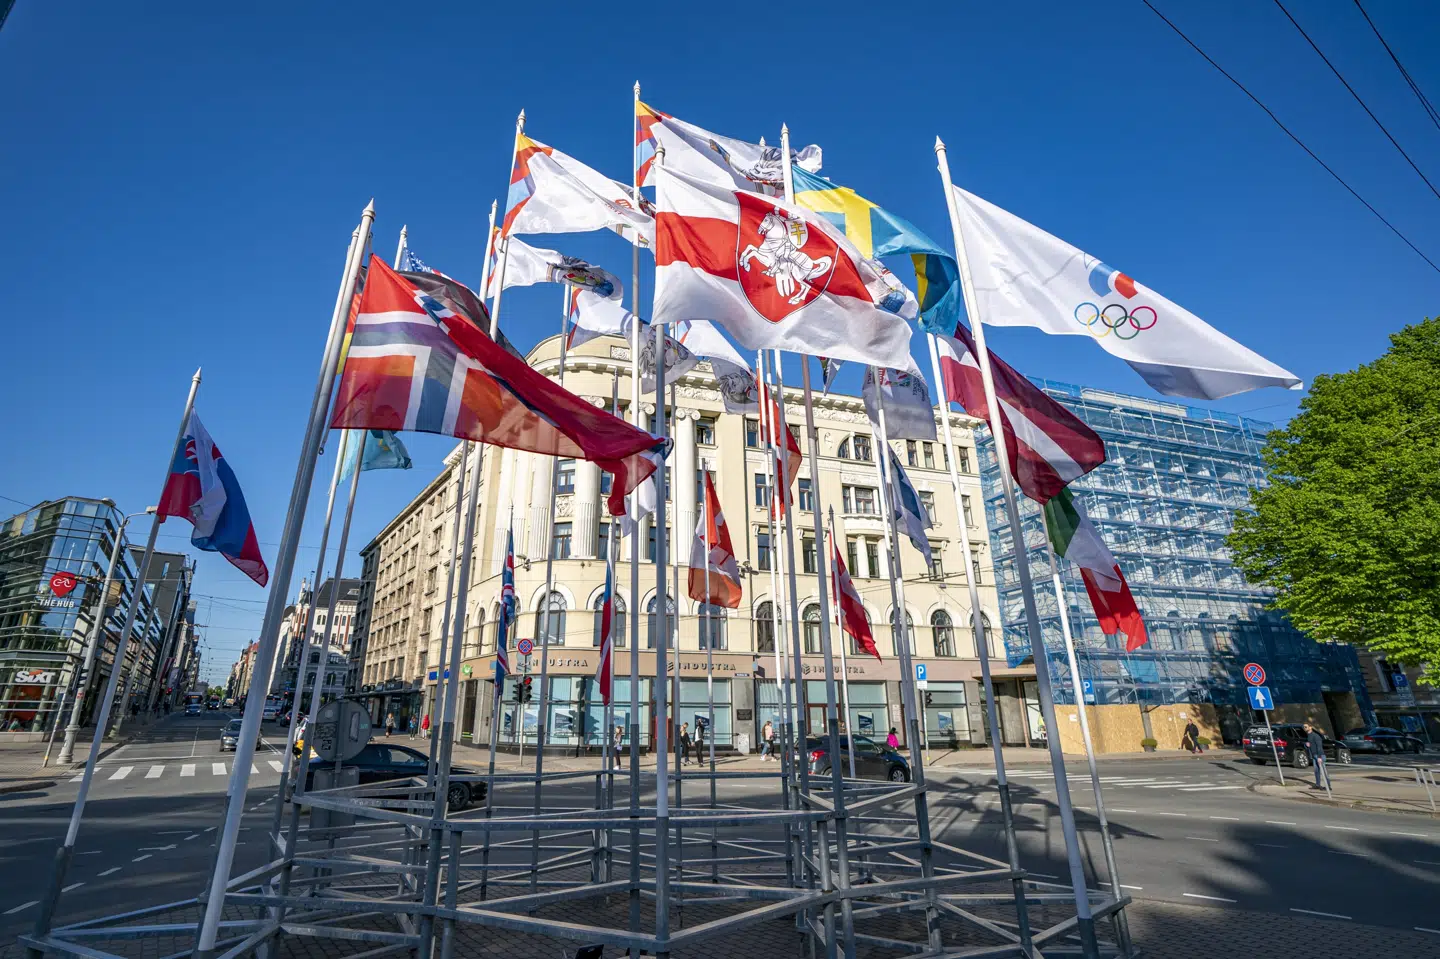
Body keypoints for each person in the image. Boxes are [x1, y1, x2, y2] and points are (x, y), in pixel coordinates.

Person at [1304, 722, 1329, 790]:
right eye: (1304, 727)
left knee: (1323, 771)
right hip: (1314, 755)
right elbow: (1308, 745)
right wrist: (1306, 745)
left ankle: (1328, 786)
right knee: (1316, 771)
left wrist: (1319, 757)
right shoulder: (1309, 736)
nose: (1304, 728)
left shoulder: (1316, 736)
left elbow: (1319, 747)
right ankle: (1317, 785)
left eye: (1306, 727)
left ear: (1310, 727)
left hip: (1319, 755)